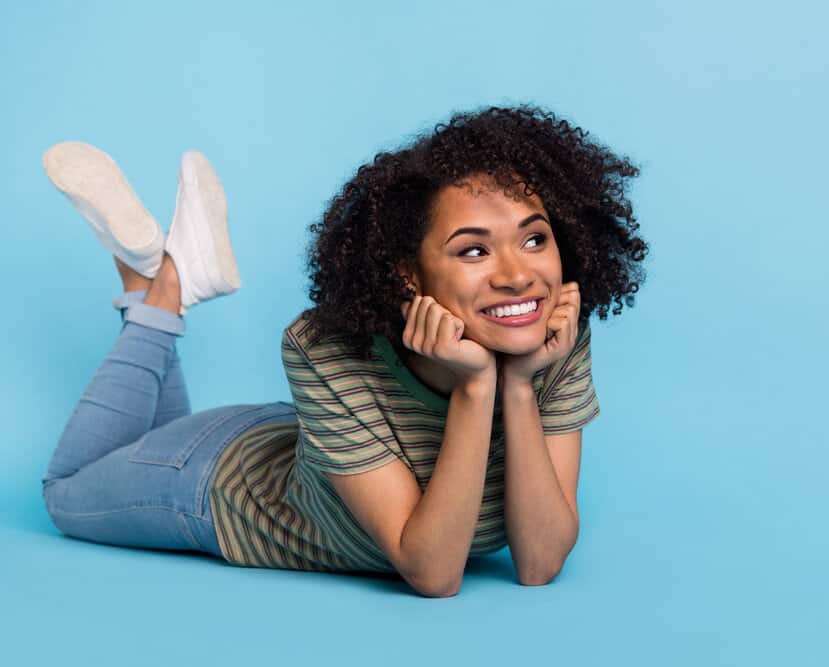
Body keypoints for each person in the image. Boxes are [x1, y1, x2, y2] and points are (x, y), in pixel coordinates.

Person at [40, 104, 649, 597]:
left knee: (138, 440)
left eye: (534, 238)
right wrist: (475, 387)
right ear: (409, 274)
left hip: (325, 443)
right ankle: (166, 288)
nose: (518, 276)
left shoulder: (548, 338)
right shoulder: (327, 349)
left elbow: (540, 562)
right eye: (474, 250)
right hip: (216, 485)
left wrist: (517, 384)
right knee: (64, 493)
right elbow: (432, 571)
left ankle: (148, 277)